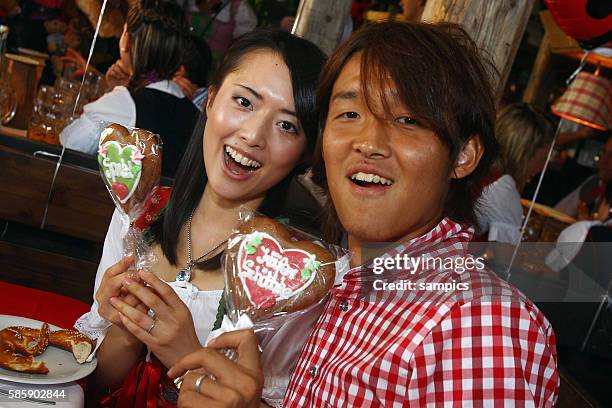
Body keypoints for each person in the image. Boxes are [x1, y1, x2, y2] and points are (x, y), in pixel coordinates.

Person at [168, 21, 559, 407]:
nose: (368, 142)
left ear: (462, 156)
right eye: (350, 114)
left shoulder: (481, 325)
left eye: (408, 120)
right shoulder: (335, 285)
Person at [74, 28, 326, 406]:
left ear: (305, 152)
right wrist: (125, 332)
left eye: (287, 125)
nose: (253, 135)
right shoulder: (139, 211)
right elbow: (96, 383)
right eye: (243, 102)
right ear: (210, 101)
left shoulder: (292, 274)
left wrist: (185, 353)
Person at [59, 0, 200, 178]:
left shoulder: (124, 103)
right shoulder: (195, 113)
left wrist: (118, 95)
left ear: (126, 41)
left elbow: (67, 146)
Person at [476, 103, 555, 244]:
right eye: (543, 159)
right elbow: (504, 262)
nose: (543, 167)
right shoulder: (504, 190)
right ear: (524, 154)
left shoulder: (473, 163)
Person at [555, 136, 612, 220]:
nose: (603, 161)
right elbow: (560, 212)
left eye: (611, 156)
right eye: (604, 152)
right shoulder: (594, 182)